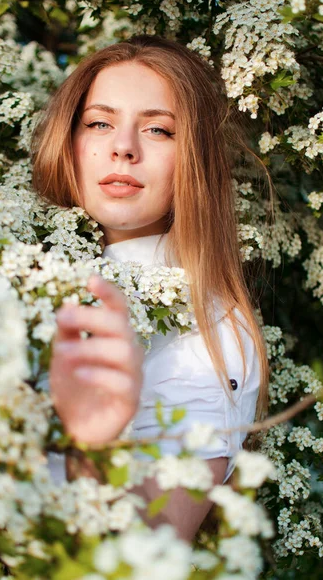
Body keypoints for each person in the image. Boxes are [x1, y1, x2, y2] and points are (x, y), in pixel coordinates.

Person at [30, 35, 270, 542]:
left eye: (159, 130)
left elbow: (153, 552)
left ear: (195, 163)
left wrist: (92, 444)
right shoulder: (13, 266)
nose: (123, 146)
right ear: (69, 140)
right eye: (99, 122)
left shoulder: (207, 333)